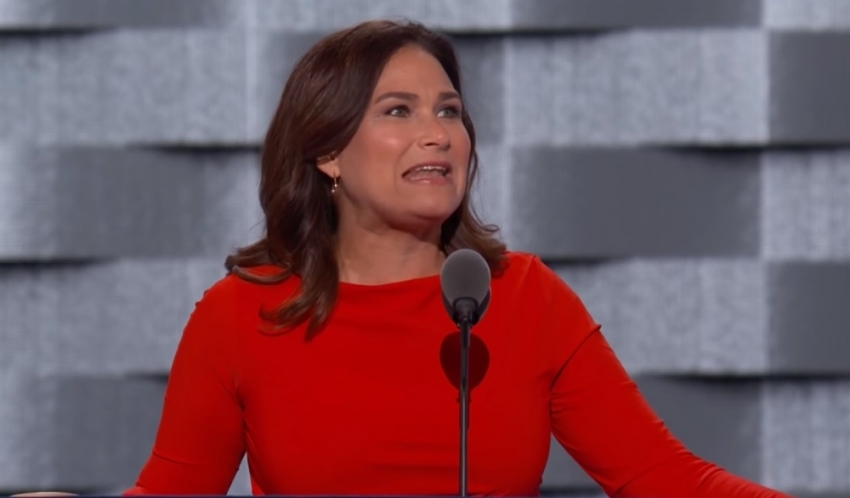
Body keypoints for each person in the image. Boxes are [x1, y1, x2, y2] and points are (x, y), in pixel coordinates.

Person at [119, 20, 790, 497]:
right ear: (328, 152)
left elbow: (663, 481)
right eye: (399, 111)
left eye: (449, 110)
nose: (437, 134)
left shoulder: (524, 296)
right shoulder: (243, 312)